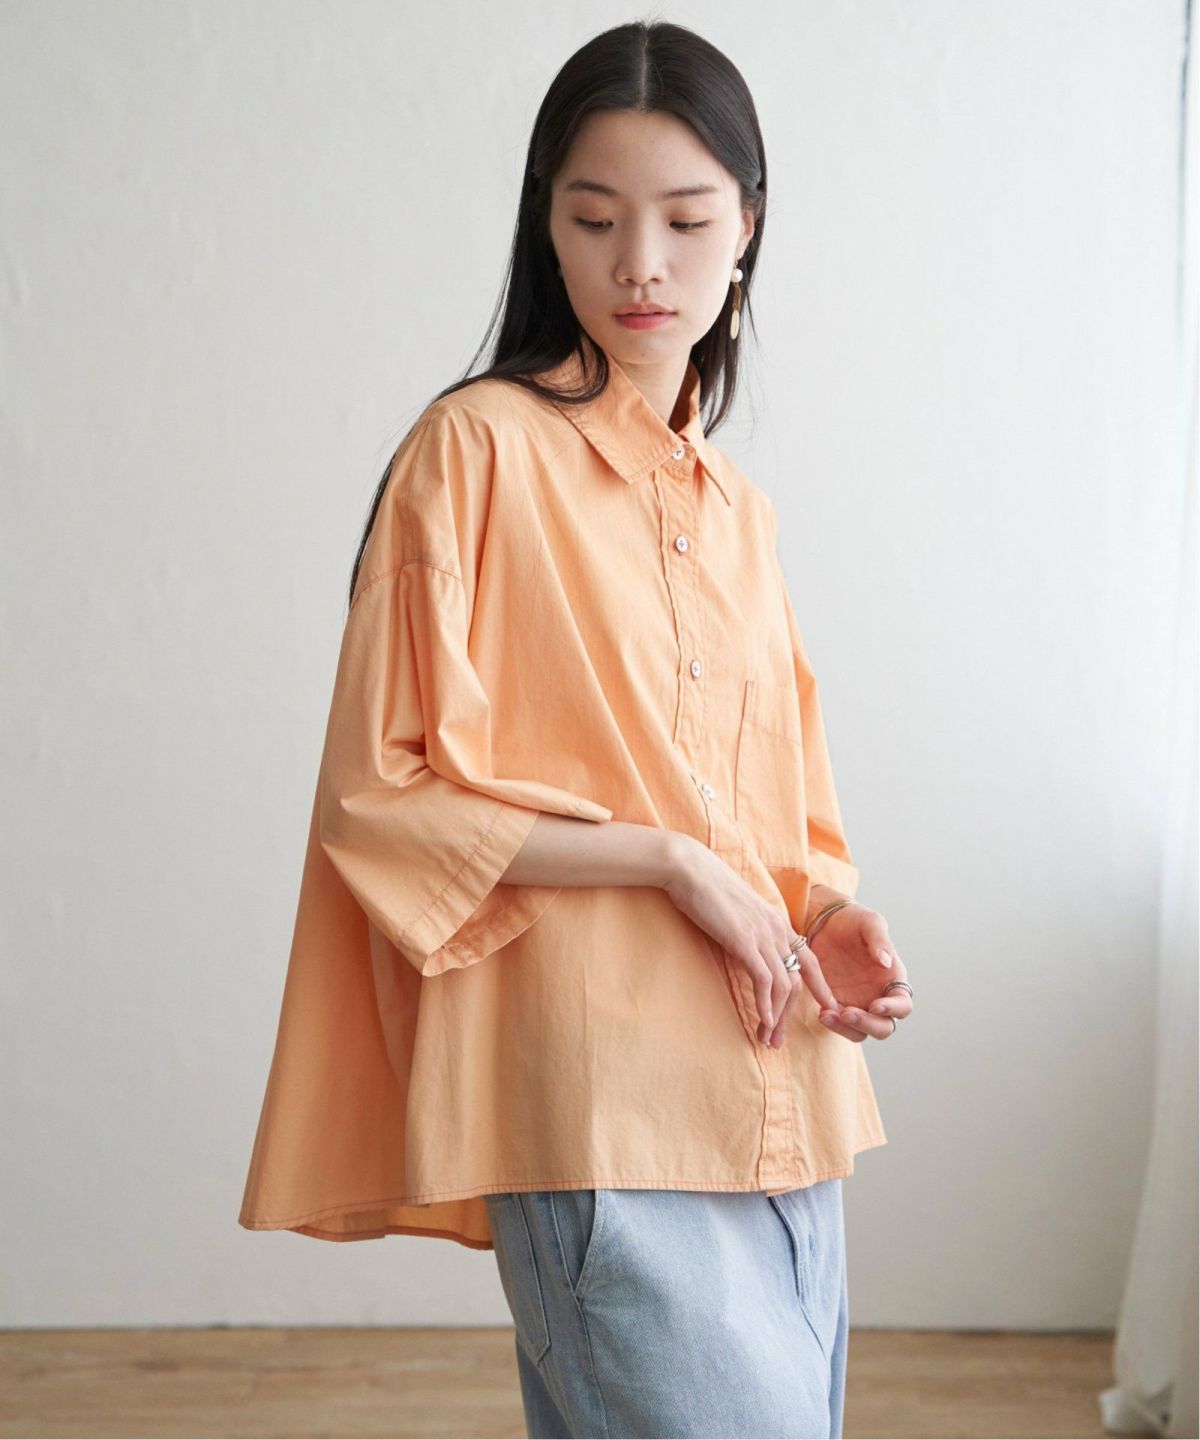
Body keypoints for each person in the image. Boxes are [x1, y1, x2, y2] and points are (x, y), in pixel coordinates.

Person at [238, 18, 914, 1440]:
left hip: (783, 1092)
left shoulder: (737, 511)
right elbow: (381, 796)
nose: (640, 265)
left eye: (686, 220)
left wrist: (824, 914)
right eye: (596, 219)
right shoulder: (473, 451)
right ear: (547, 226)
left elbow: (783, 805)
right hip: (597, 1106)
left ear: (749, 227)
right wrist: (669, 863)